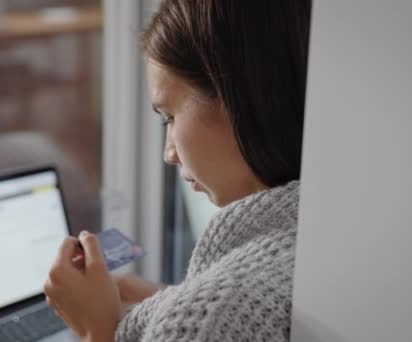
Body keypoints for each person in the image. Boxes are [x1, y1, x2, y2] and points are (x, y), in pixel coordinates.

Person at [43, 0, 311, 341]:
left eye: (169, 116)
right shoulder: (315, 240)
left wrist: (95, 328)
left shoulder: (211, 315)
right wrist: (165, 300)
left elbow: (211, 321)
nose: (169, 153)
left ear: (237, 99)